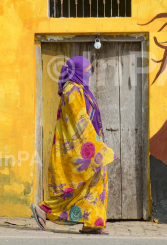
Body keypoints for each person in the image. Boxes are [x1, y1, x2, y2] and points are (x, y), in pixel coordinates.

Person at [31, 56, 117, 235]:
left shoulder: (81, 90)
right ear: (77, 71)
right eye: (87, 70)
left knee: (93, 183)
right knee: (79, 186)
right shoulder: (72, 90)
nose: (89, 74)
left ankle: (92, 222)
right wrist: (95, 143)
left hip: (89, 144)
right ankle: (44, 209)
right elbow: (79, 120)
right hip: (80, 147)